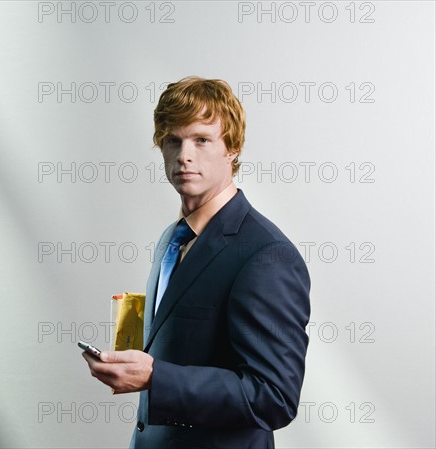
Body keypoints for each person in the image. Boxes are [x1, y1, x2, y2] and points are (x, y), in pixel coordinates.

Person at [82, 76, 311, 449]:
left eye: (202, 139)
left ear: (232, 149)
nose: (184, 155)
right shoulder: (172, 238)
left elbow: (274, 398)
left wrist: (157, 376)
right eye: (173, 140)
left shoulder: (266, 255)